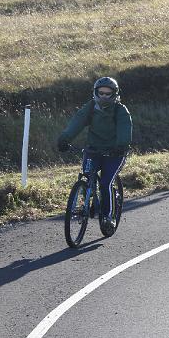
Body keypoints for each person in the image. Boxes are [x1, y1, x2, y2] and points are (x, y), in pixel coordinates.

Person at [57, 77, 132, 235]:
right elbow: (77, 122)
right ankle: (87, 200)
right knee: (86, 176)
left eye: (108, 93)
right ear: (95, 92)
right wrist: (64, 139)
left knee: (105, 183)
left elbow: (125, 129)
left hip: (115, 153)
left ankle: (108, 217)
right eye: (101, 93)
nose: (104, 96)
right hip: (93, 150)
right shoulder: (90, 107)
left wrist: (121, 146)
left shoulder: (120, 110)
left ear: (115, 94)